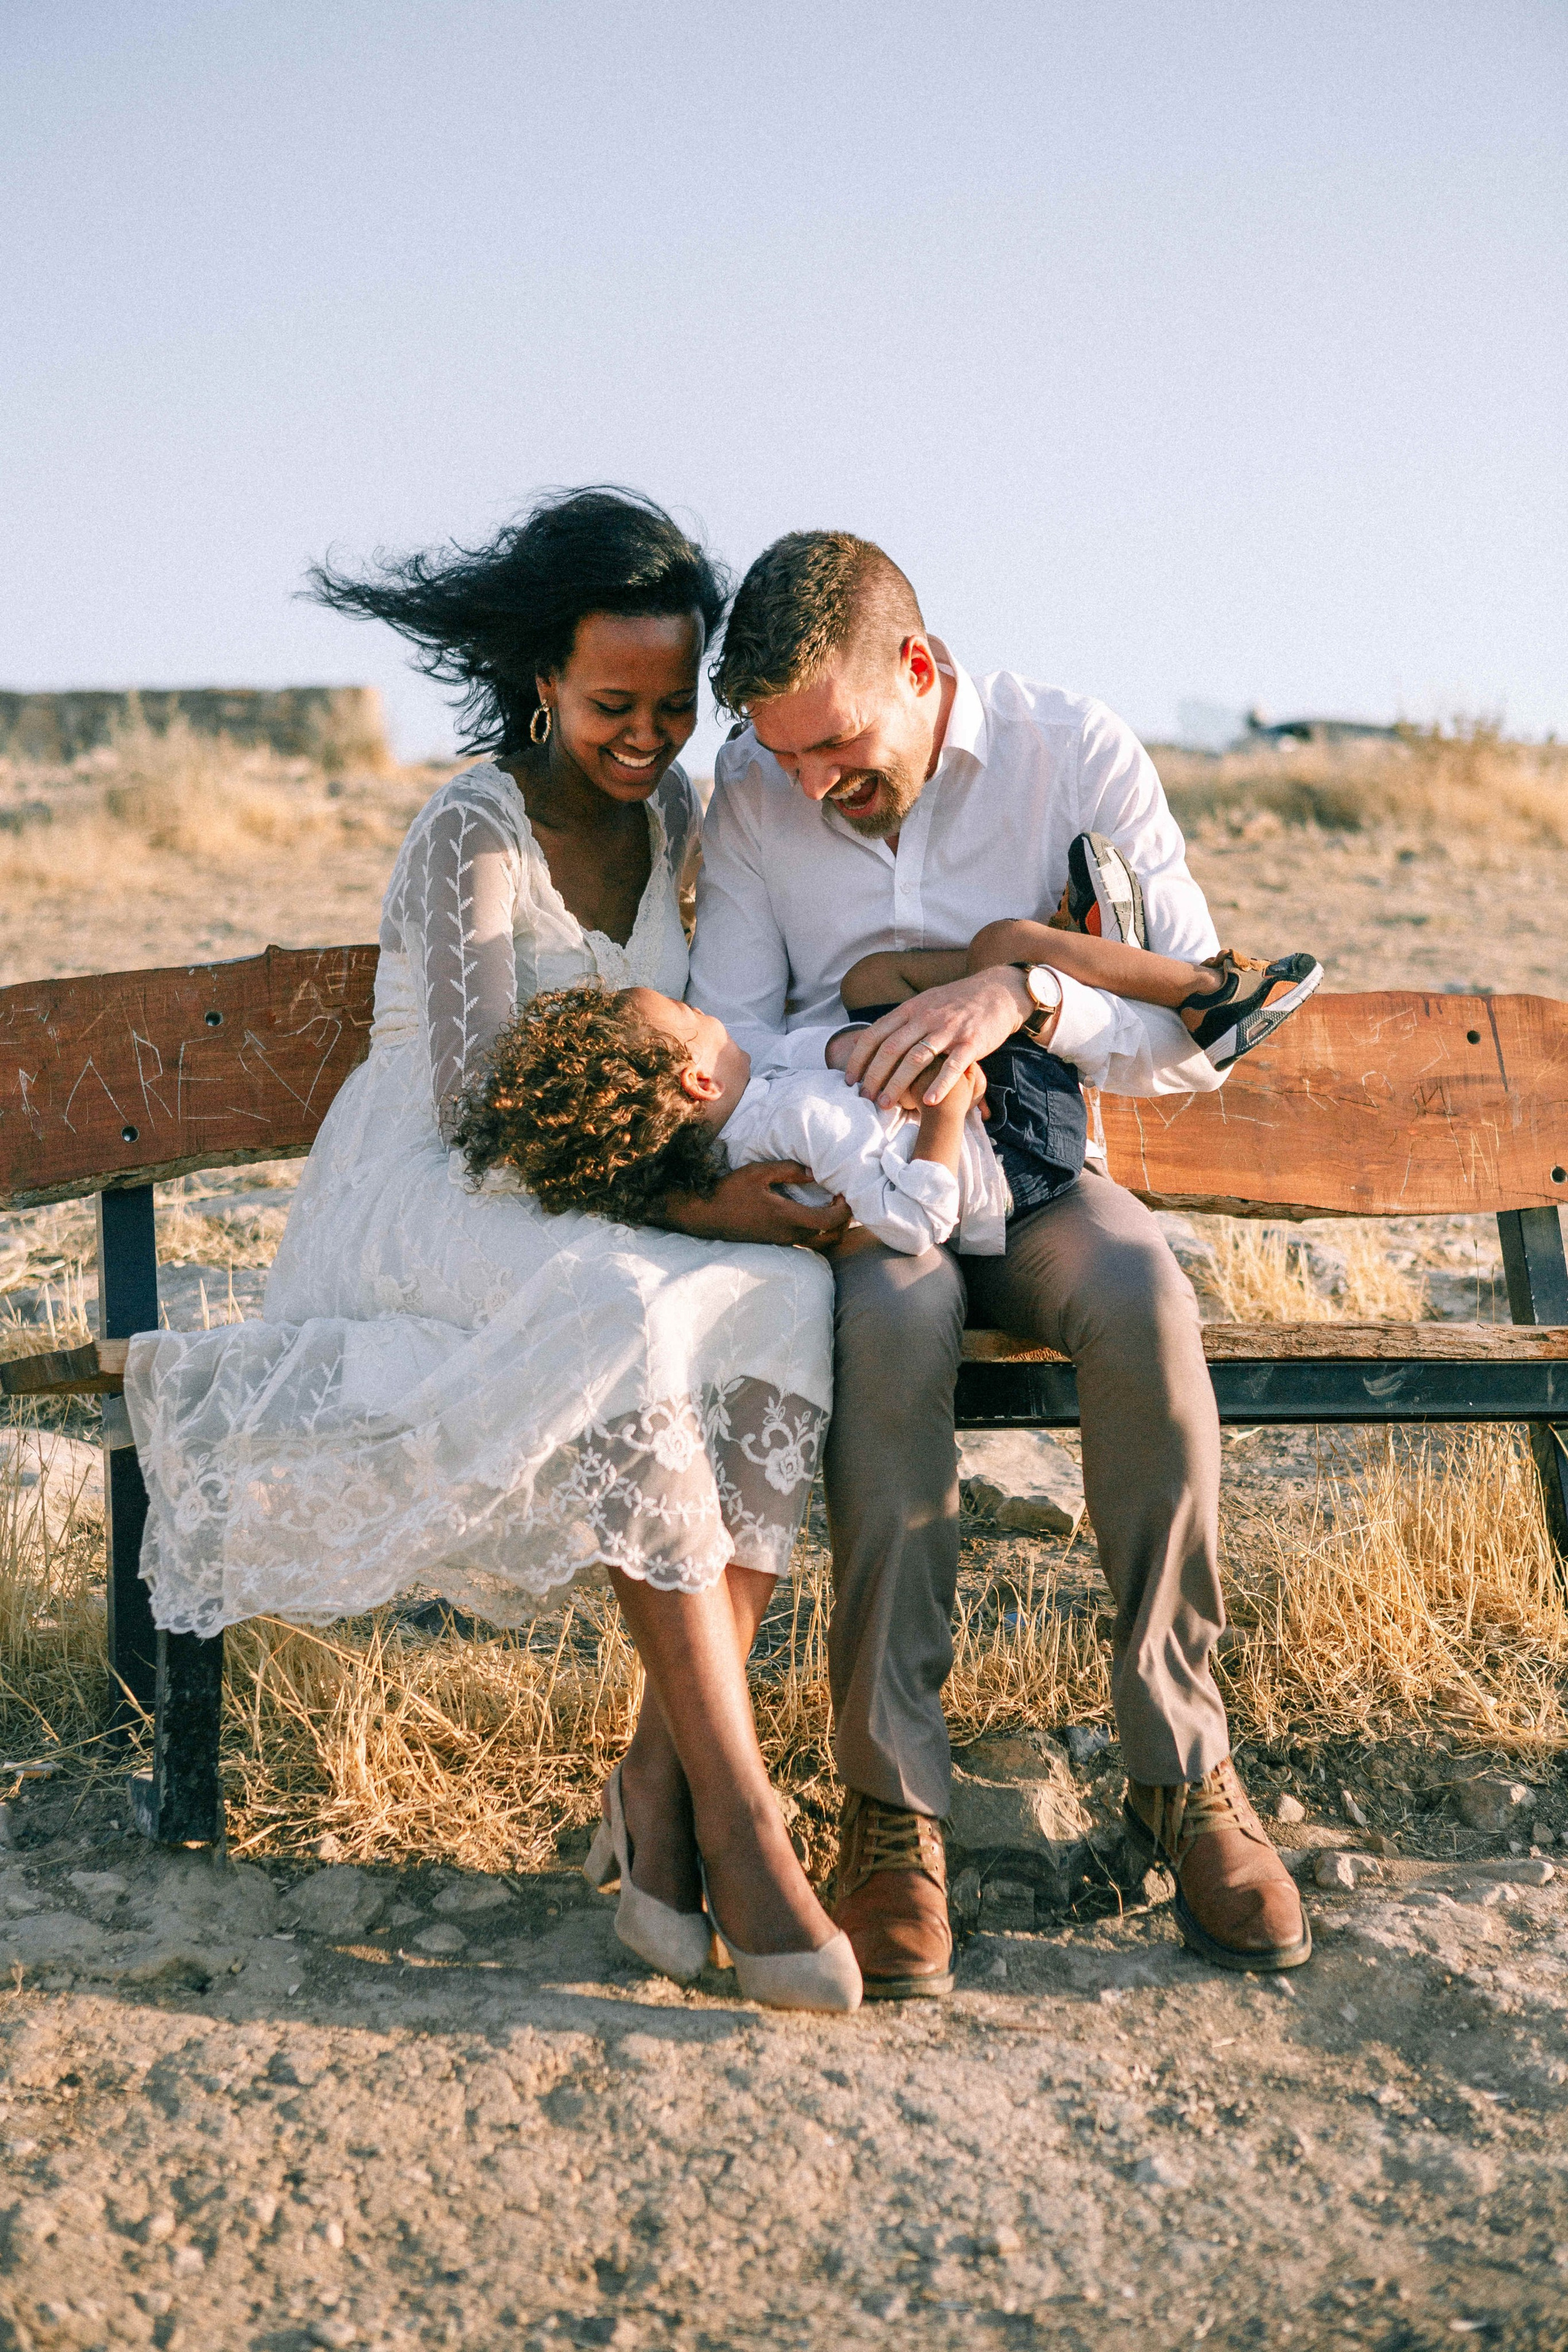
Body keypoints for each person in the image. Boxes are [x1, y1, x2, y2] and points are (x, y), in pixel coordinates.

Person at [122, 489, 859, 2015]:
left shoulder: (671, 823)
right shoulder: (469, 828)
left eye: (669, 702)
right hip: (434, 1190)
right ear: (540, 678)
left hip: (605, 1186)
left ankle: (656, 1789)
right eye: (610, 704)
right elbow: (480, 1111)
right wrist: (693, 1205)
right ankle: (741, 1814)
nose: (646, 734)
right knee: (621, 1310)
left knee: (789, 1295)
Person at [687, 528, 1314, 1996]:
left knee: (1143, 1296)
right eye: (774, 755)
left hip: (1039, 1184)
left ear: (918, 669)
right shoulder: (751, 795)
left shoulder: (1068, 750)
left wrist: (1026, 996)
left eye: (829, 744)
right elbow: (730, 1035)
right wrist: (863, 1039)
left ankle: (1184, 1772)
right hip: (866, 1197)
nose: (803, 783)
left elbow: (1191, 1034)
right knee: (889, 1340)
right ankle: (892, 1815)